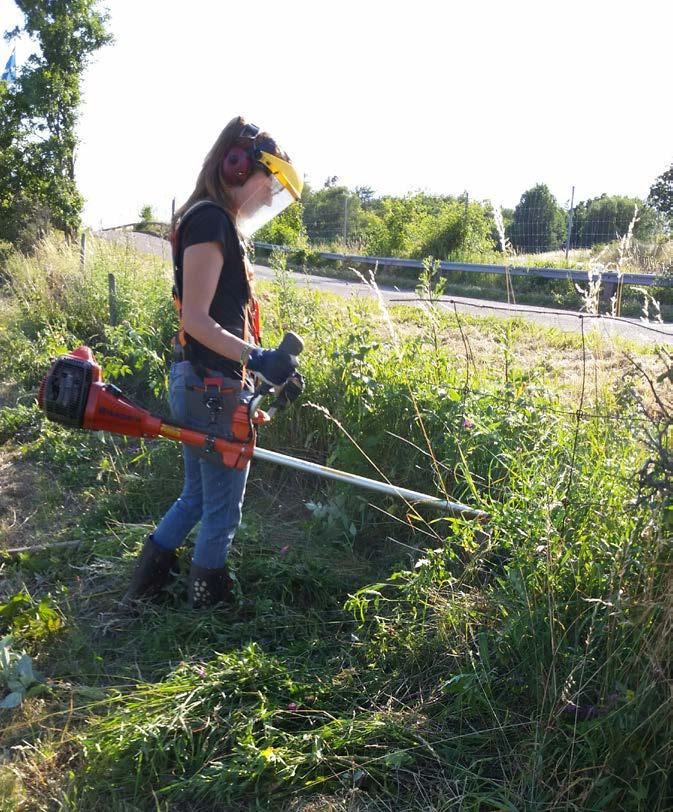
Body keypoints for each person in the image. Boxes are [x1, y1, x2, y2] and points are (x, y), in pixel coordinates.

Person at [123, 116, 304, 609]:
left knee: (198, 498)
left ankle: (147, 588)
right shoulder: (209, 221)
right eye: (270, 186)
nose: (269, 200)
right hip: (209, 386)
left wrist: (268, 368)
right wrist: (257, 357)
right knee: (222, 511)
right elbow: (200, 322)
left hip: (208, 383)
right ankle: (208, 612)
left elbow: (218, 321)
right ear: (237, 166)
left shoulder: (214, 221)